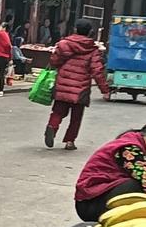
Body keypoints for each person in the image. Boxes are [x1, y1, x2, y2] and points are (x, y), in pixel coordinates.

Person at [73, 121, 146, 220]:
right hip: (90, 203)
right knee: (134, 185)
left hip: (96, 199)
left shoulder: (132, 142)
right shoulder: (129, 148)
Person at [45, 22, 110, 151]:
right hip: (81, 88)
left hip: (63, 84)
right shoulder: (92, 49)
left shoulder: (64, 44)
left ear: (75, 29)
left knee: (58, 111)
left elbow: (54, 62)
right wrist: (104, 90)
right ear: (90, 32)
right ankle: (70, 141)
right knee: (76, 117)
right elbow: (97, 71)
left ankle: (52, 126)